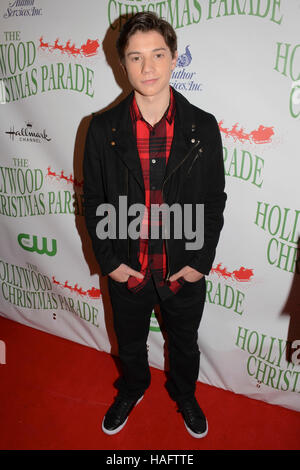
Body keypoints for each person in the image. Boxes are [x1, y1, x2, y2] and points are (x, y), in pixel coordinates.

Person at [83, 11, 226, 438]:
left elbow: (213, 201)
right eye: (135, 57)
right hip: (129, 270)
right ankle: (132, 388)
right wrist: (109, 262)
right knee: (129, 345)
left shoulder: (204, 127)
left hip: (183, 271)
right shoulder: (102, 129)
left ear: (174, 58)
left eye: (158, 55)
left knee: (184, 345)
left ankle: (185, 394)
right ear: (121, 64)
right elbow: (93, 200)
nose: (148, 68)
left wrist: (200, 262)